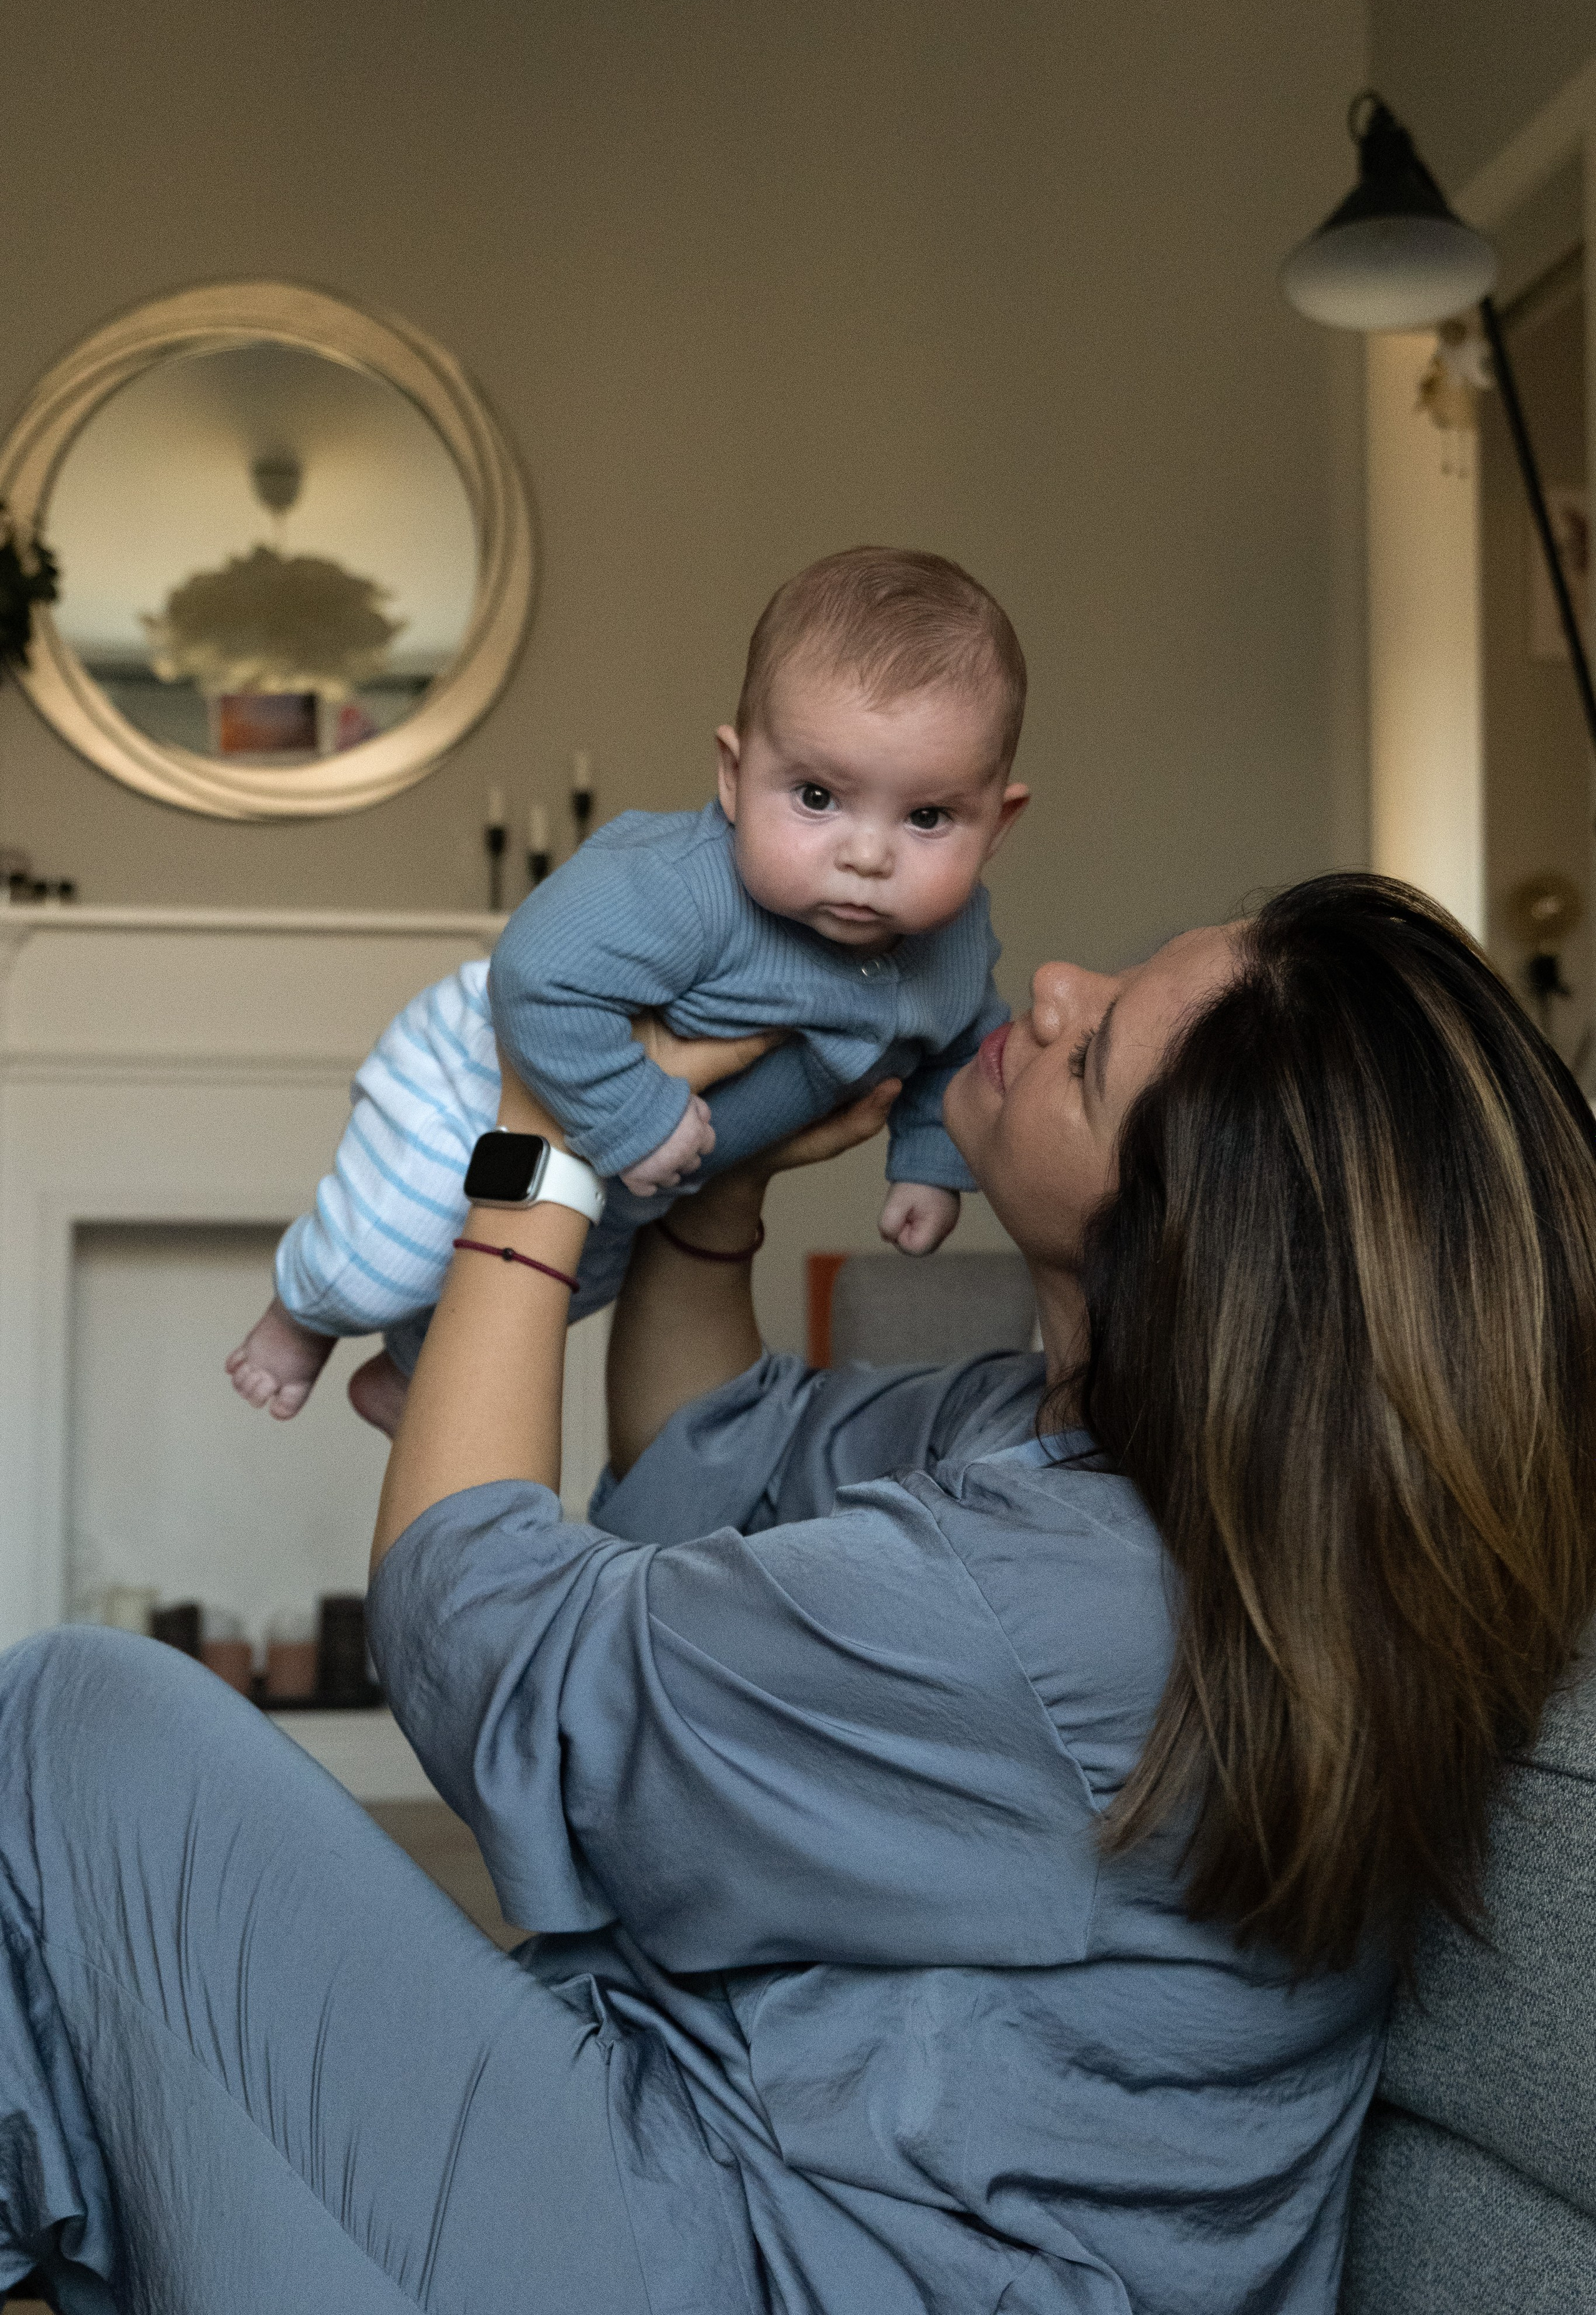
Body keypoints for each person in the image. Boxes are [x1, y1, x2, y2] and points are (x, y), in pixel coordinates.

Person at [1, 874, 1592, 2315]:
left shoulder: (1068, 1606)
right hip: (719, 2168)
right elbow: (714, 1464)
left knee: (75, 1722)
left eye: (1094, 1054)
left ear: (1183, 1257)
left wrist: (539, 1145)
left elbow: (485, 1642)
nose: (1045, 987)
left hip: (755, 2262)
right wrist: (713, 1194)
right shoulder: (1085, 1459)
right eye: (1106, 972)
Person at [226, 546, 1030, 1433]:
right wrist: (629, 1112)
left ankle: (404, 1380)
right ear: (733, 776)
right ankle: (300, 1318)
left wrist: (928, 1161)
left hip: (648, 1161)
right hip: (492, 1066)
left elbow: (961, 1041)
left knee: (571, 1279)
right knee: (384, 1259)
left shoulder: (951, 946)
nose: (868, 855)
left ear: (998, 824)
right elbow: (537, 977)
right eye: (815, 796)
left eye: (927, 817)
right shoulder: (683, 887)